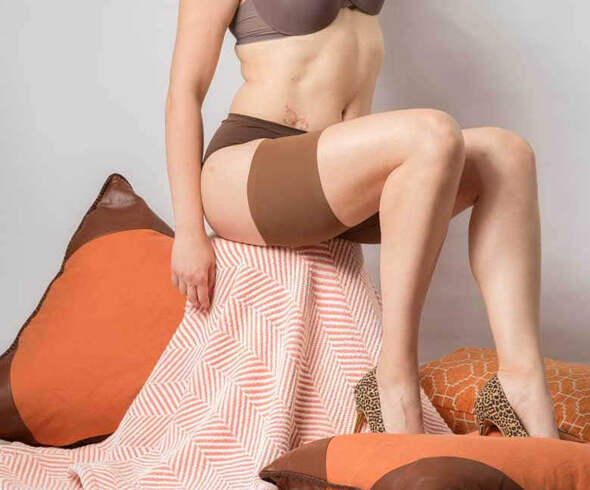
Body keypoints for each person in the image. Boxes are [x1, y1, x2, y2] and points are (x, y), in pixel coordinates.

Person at [164, 0, 559, 439]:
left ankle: (521, 383)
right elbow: (184, 92)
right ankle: (394, 378)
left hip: (340, 176)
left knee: (508, 155)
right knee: (433, 133)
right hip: (250, 168)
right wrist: (188, 230)